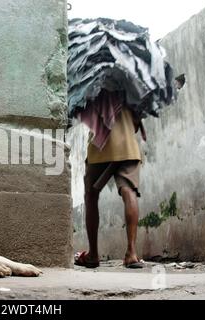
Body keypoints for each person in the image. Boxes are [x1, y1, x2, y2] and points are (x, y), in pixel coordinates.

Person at [75, 90, 146, 269]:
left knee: (91, 196)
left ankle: (93, 254)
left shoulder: (93, 83)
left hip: (101, 146)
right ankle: (131, 253)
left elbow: (86, 115)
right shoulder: (130, 84)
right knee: (129, 191)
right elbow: (137, 122)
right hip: (128, 146)